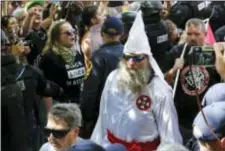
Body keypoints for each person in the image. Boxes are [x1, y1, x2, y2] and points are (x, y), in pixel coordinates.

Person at [91, 11, 182, 151]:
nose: (131, 63)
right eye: (127, 57)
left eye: (137, 58)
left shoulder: (159, 91)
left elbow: (170, 137)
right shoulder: (112, 79)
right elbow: (103, 119)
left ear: (147, 60)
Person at [164, 18, 221, 143]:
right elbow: (162, 82)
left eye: (197, 34)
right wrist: (173, 71)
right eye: (189, 34)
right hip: (182, 116)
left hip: (206, 114)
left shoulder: (213, 54)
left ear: (205, 35)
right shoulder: (177, 52)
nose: (193, 38)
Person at [80, 16, 124, 138]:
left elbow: (90, 92)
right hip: (126, 112)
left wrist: (86, 117)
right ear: (122, 33)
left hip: (104, 116)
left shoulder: (98, 57)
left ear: (102, 33)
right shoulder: (130, 54)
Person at [40, 20, 85, 104]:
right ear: (57, 37)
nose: (72, 34)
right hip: (61, 105)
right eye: (68, 32)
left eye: (73, 31)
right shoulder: (49, 58)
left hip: (79, 102)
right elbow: (47, 89)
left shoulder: (77, 53)